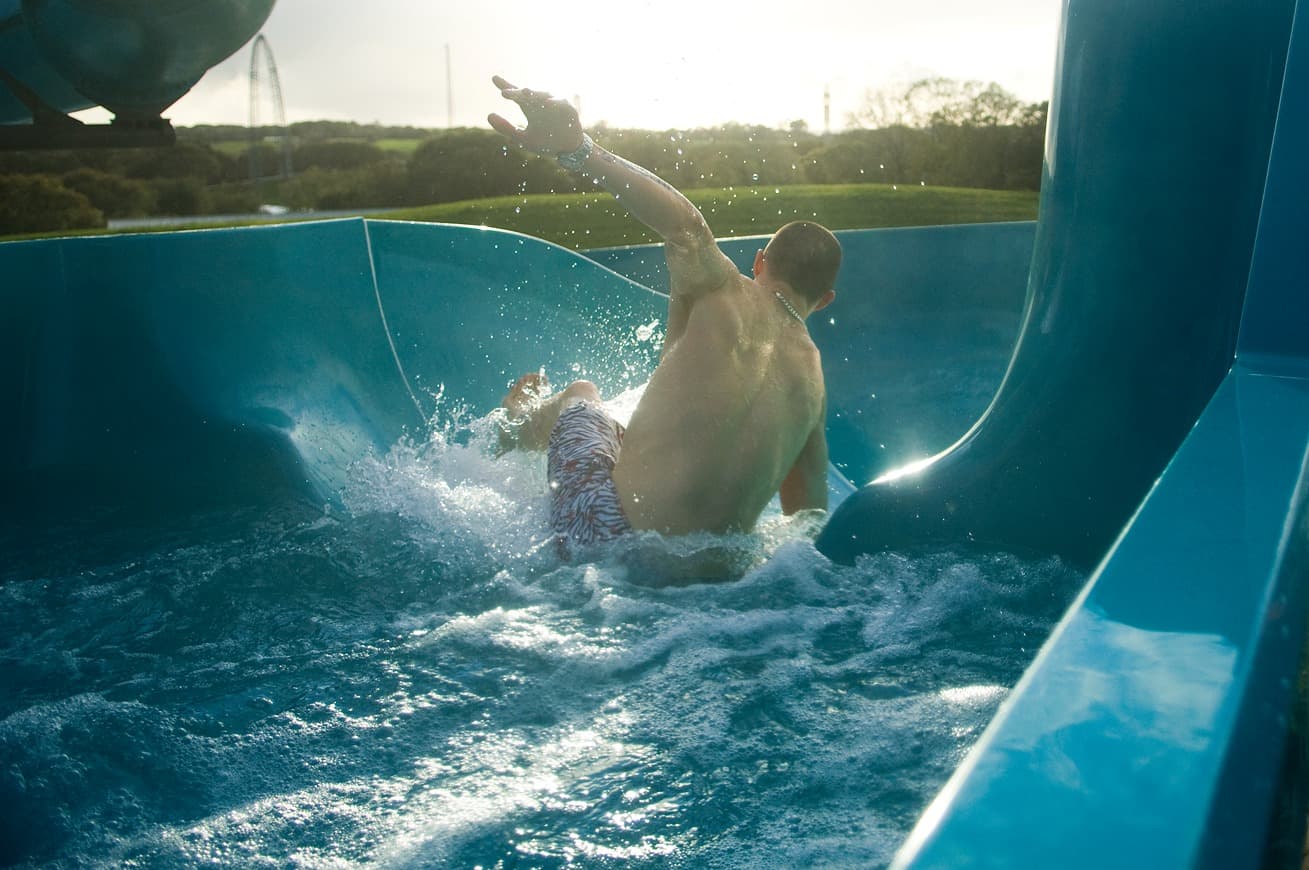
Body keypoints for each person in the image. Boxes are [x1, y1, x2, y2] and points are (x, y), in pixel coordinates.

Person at [488, 75, 841, 553]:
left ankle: (513, 426)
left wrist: (579, 150)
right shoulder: (814, 385)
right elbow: (808, 519)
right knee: (617, 432)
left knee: (582, 395)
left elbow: (687, 227)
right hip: (714, 577)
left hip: (609, 534)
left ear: (759, 262)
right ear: (824, 299)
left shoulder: (724, 291)